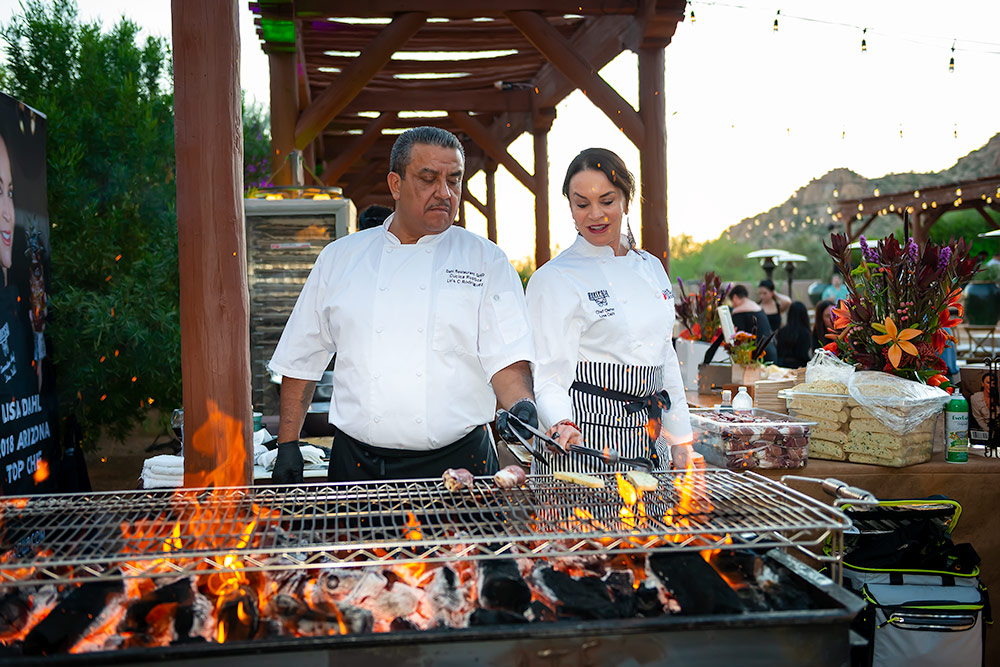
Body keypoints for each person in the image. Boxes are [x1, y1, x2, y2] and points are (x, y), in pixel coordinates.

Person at [268, 127, 537, 483]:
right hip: (357, 466)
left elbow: (507, 360)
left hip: (462, 462)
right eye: (428, 179)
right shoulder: (340, 259)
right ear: (395, 184)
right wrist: (288, 444)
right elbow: (302, 357)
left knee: (463, 544)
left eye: (454, 180)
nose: (444, 193)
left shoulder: (486, 260)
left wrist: (521, 406)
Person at [525, 147, 693, 473]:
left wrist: (680, 438)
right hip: (582, 442)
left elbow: (666, 359)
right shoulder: (554, 278)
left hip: (648, 438)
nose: (595, 215)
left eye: (607, 200)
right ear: (571, 208)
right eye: (582, 204)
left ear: (626, 201)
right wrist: (561, 422)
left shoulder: (652, 267)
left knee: (648, 523)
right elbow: (547, 376)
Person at [728, 284, 777, 363]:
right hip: (771, 350)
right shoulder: (757, 307)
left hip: (757, 355)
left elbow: (739, 338)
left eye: (732, 302)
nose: (733, 305)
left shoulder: (738, 312)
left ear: (735, 297)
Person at [775, 301, 813, 368]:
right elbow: (804, 355)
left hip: (783, 366)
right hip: (800, 367)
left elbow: (779, 352)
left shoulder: (782, 331)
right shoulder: (805, 333)